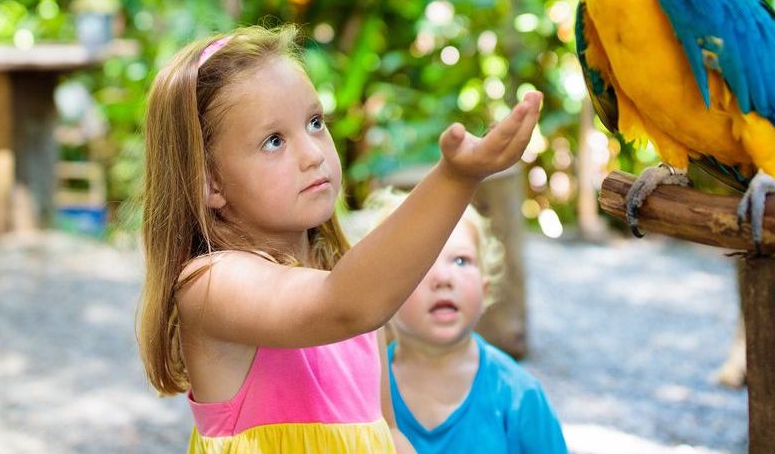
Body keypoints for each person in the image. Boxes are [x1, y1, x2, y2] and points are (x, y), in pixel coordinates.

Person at [134, 25, 542, 453]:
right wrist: (456, 177)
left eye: (314, 123)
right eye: (274, 141)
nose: (313, 154)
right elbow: (343, 304)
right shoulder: (211, 284)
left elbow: (386, 432)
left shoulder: (347, 287)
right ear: (211, 182)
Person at [358, 189, 568, 454]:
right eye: (421, 262)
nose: (443, 278)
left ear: (485, 288)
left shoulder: (520, 395)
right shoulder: (363, 393)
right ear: (383, 297)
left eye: (460, 260)